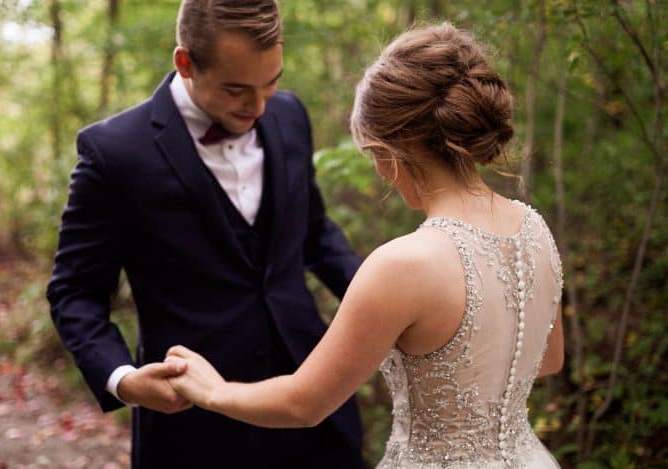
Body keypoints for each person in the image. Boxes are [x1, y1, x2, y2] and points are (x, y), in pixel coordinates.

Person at [164, 22, 565, 468]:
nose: (379, 172)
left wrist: (214, 390)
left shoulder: (404, 264)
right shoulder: (534, 230)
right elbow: (547, 361)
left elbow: (304, 404)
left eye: (374, 156)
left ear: (393, 149)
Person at [46, 1, 365, 467]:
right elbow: (74, 291)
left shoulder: (290, 115)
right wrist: (124, 378)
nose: (259, 107)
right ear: (185, 62)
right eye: (237, 90)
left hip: (314, 408)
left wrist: (381, 303)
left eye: (270, 83)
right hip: (192, 429)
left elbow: (314, 234)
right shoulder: (114, 153)